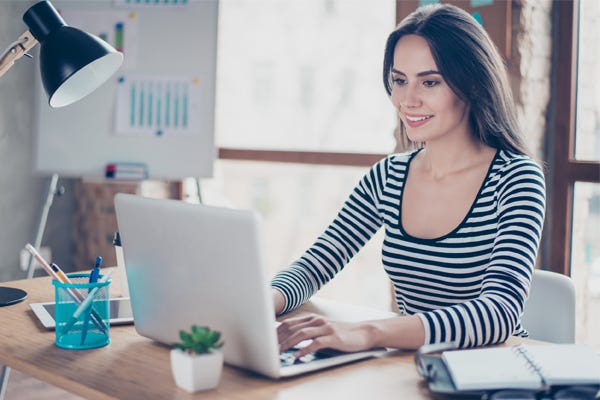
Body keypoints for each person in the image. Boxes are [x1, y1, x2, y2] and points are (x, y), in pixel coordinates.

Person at [271, 3, 546, 359]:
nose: (407, 100)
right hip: (416, 367)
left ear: (473, 84)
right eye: (399, 80)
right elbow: (316, 264)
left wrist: (369, 332)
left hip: (493, 372)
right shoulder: (388, 177)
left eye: (430, 82)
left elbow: (498, 314)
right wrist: (264, 300)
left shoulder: (516, 179)